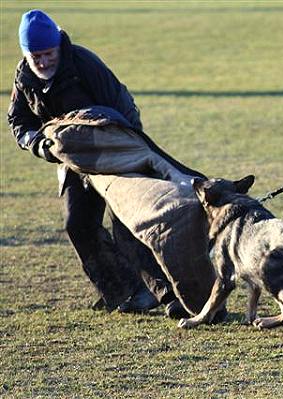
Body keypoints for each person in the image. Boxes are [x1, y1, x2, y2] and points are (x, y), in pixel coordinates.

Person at [7, 9, 188, 318]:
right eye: (35, 56)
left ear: (58, 48)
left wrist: (126, 151)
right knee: (78, 224)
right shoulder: (25, 76)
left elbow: (121, 108)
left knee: (127, 223)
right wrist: (38, 144)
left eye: (48, 54)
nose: (42, 62)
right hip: (73, 162)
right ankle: (127, 292)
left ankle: (172, 296)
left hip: (115, 151)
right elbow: (19, 121)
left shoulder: (84, 63)